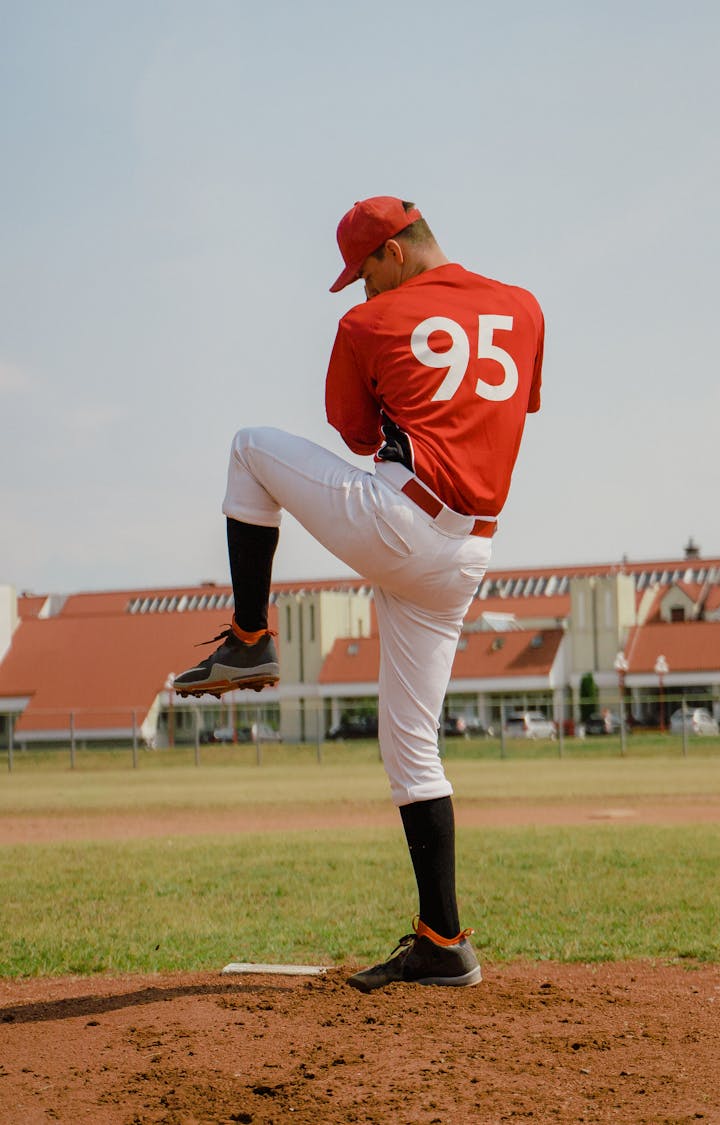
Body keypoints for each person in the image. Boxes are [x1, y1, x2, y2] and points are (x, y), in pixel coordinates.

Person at [174, 196, 545, 991]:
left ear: (395, 253)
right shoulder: (525, 309)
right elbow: (505, 410)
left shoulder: (370, 324)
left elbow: (352, 429)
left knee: (249, 450)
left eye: (365, 273)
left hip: (400, 522)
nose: (361, 293)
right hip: (467, 554)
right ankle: (444, 939)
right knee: (411, 748)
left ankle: (248, 635)